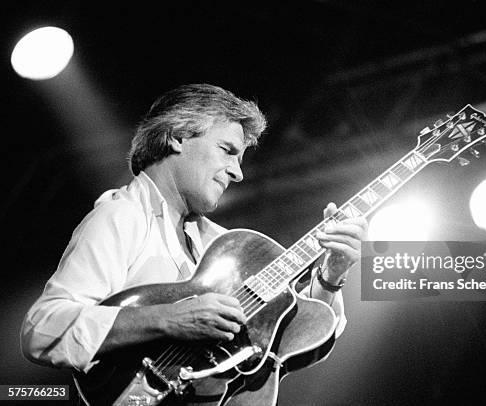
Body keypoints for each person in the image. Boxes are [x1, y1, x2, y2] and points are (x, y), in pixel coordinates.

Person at [20, 84, 367, 395]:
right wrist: (168, 319)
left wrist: (331, 276)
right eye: (227, 149)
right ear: (178, 136)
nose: (238, 171)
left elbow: (301, 335)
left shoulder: (225, 246)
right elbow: (42, 329)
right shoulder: (122, 216)